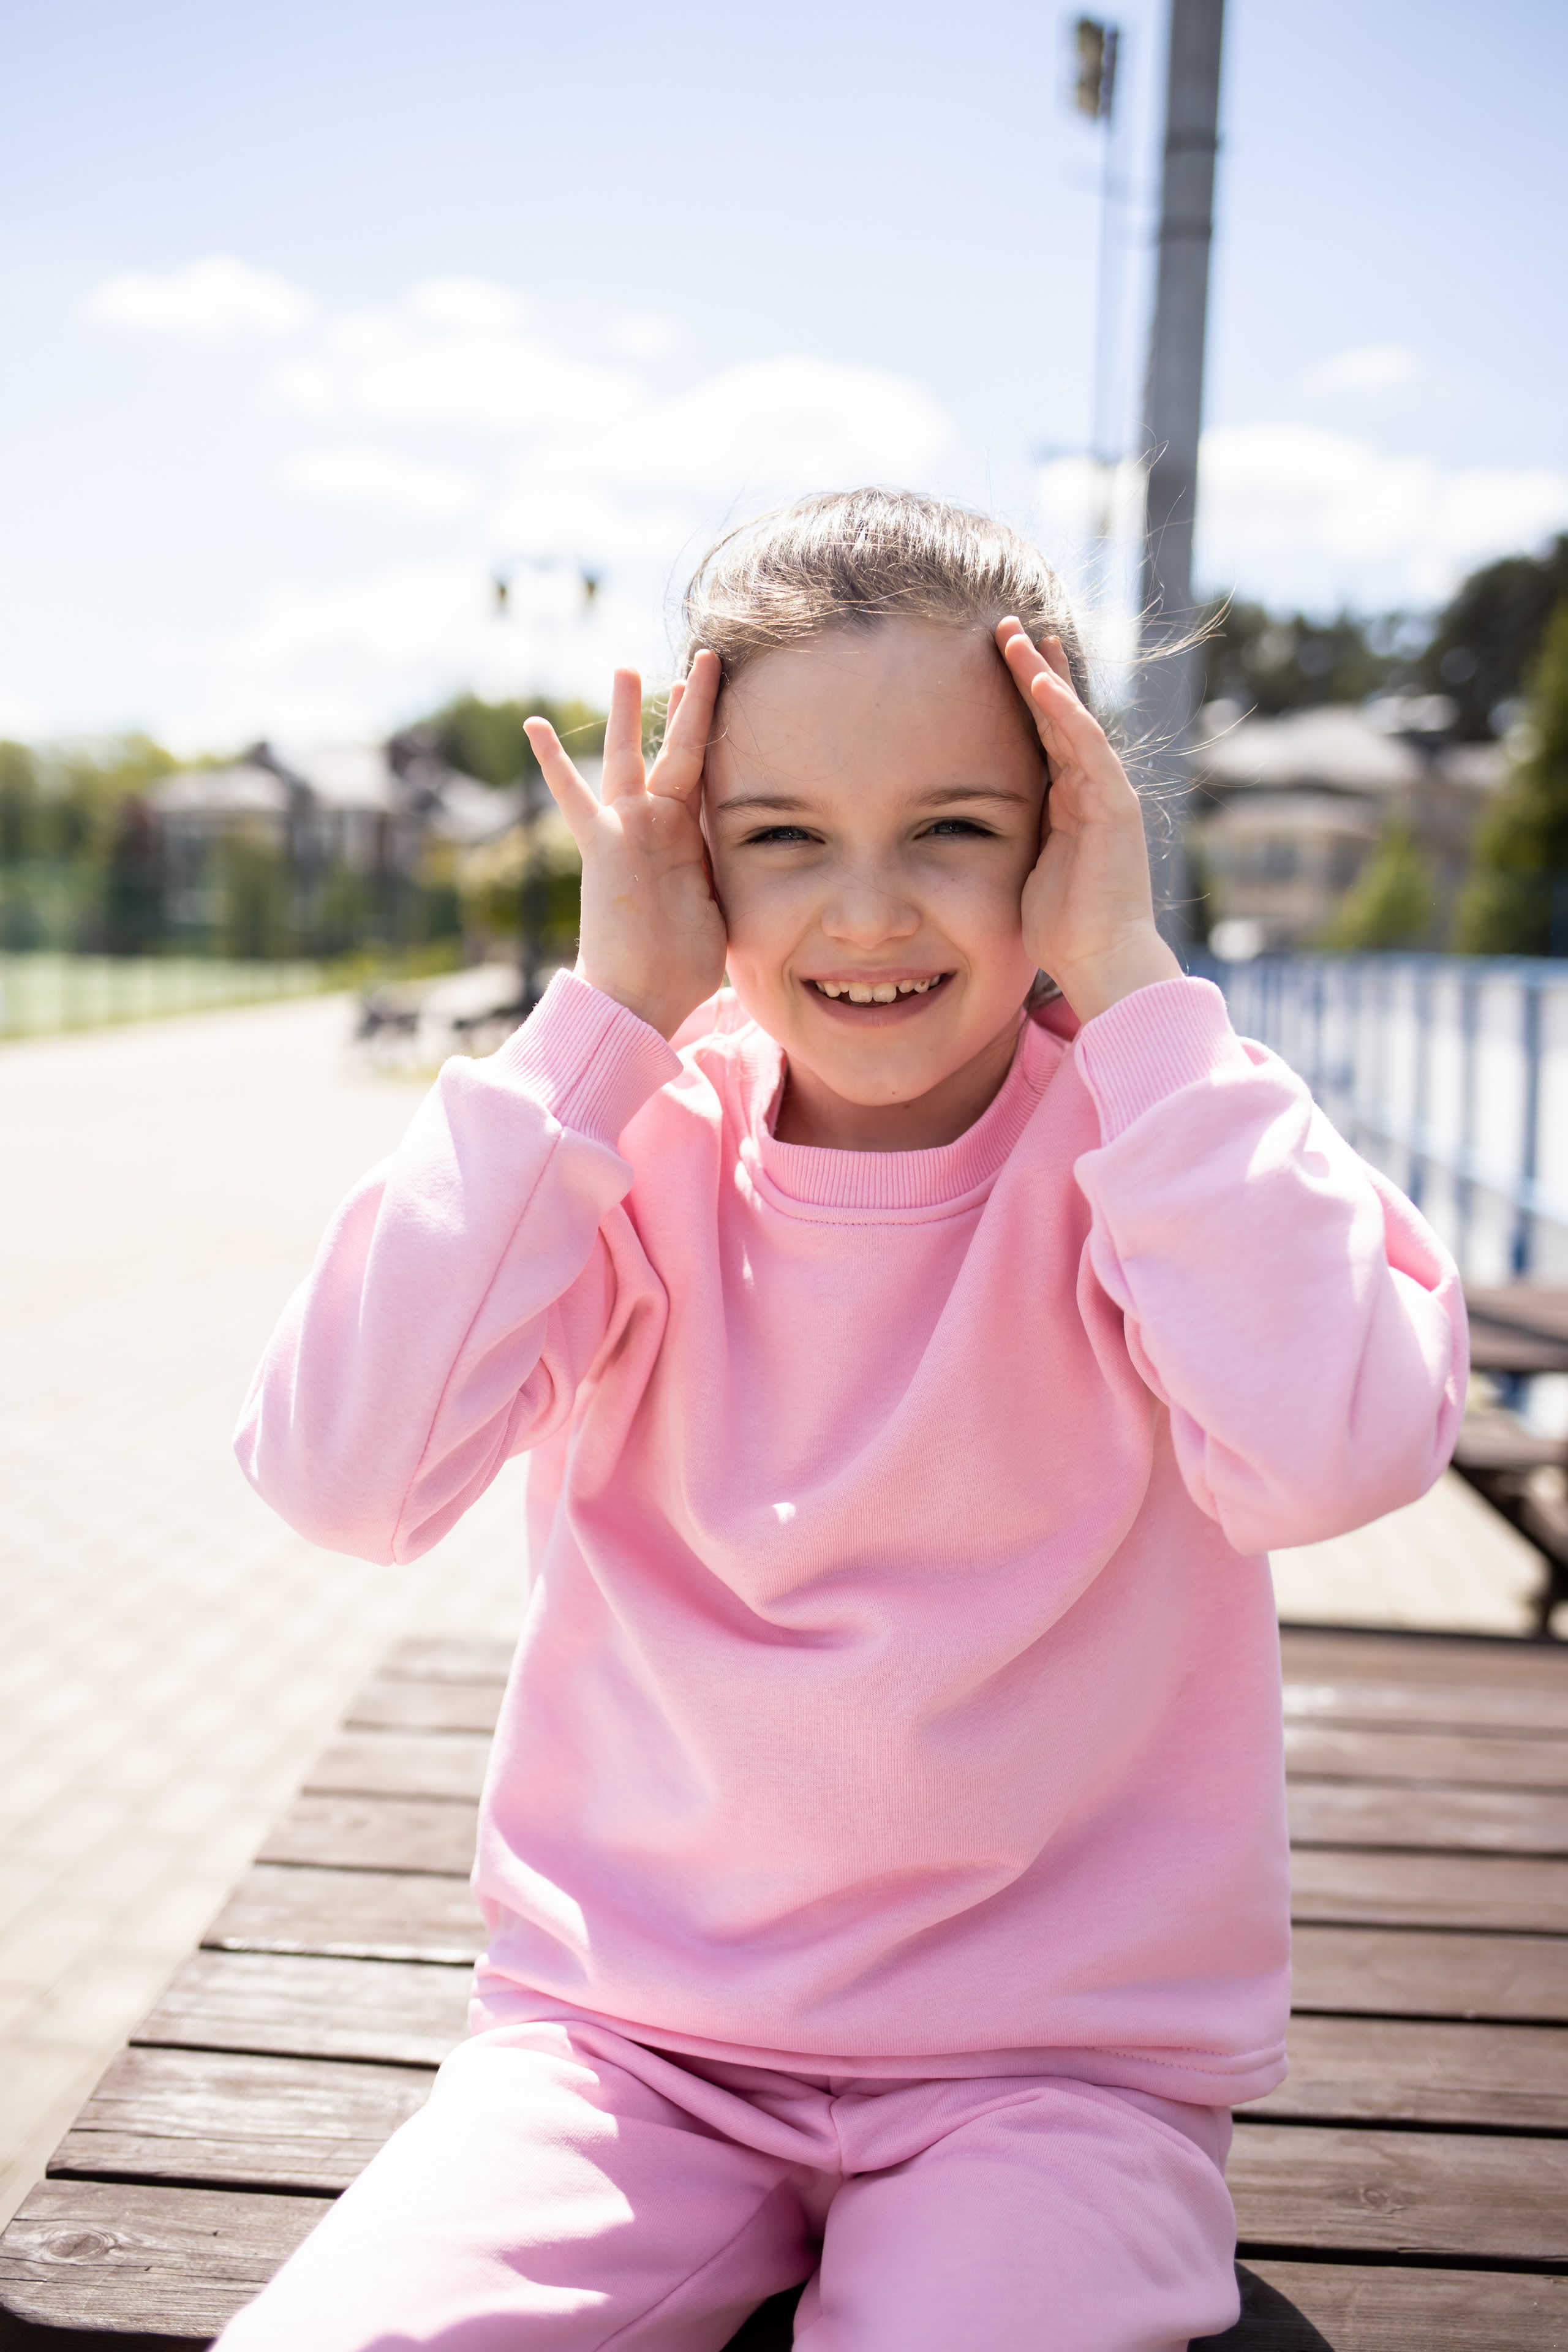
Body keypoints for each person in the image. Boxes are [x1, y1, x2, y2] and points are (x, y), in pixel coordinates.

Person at [221, 489, 1466, 2351]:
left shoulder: (1174, 1134)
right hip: (623, 2052)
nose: (865, 911)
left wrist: (1135, 985)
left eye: (954, 831)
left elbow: (1341, 1447)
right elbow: (342, 1476)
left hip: (1058, 2081)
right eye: (780, 837)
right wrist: (599, 1016)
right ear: (691, 856)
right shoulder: (617, 1136)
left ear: (1069, 834)